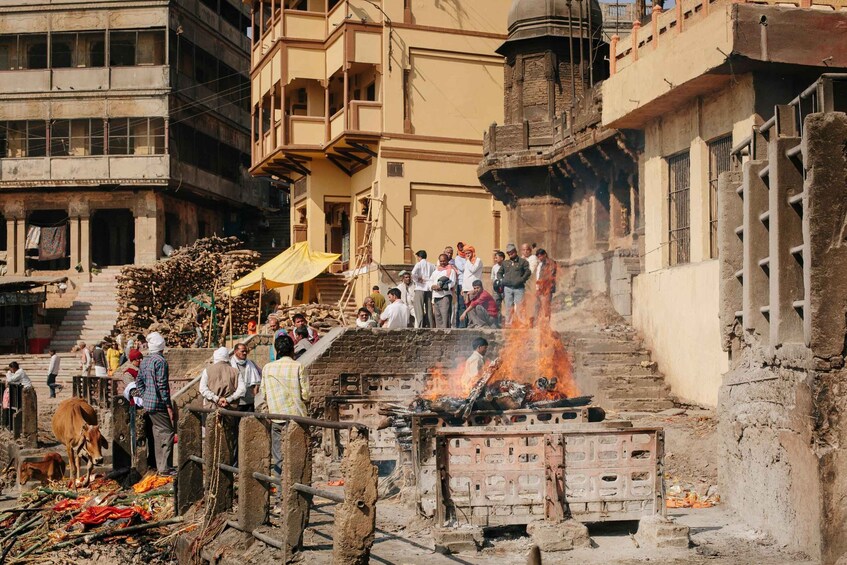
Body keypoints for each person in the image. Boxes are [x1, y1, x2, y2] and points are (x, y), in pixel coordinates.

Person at [257, 334, 309, 478]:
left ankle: (281, 493)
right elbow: (306, 394)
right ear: (292, 350)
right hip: (296, 418)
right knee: (298, 455)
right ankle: (297, 491)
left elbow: (263, 393)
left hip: (276, 417)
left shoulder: (267, 368)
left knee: (279, 457)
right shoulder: (298, 366)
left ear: (277, 351)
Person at [133, 332, 175, 475]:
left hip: (148, 402)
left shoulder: (145, 360)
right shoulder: (160, 362)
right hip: (158, 403)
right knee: (168, 433)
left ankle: (160, 466)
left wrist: (145, 395)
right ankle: (165, 468)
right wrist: (168, 405)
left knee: (158, 433)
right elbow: (162, 385)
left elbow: (138, 381)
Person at [501, 243, 531, 325]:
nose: (510, 254)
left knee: (520, 307)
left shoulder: (523, 262)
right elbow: (500, 272)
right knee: (508, 306)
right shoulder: (505, 263)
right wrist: (502, 280)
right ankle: (508, 323)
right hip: (507, 288)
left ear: (515, 251)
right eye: (508, 253)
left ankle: (521, 323)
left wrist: (522, 280)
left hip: (519, 288)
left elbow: (528, 272)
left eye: (511, 252)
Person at [231, 343, 261, 412]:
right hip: (236, 402)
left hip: (249, 401)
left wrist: (256, 390)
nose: (244, 353)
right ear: (235, 351)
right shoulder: (230, 364)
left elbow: (258, 376)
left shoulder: (251, 363)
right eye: (242, 351)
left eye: (246, 351)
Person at [429, 253, 457, 328]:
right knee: (437, 316)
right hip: (436, 296)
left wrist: (441, 288)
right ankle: (439, 333)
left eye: (444, 261)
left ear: (447, 260)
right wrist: (432, 286)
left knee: (445, 316)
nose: (442, 263)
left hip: (445, 295)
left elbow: (452, 282)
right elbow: (430, 281)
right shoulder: (436, 271)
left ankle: (446, 333)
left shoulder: (451, 270)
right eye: (441, 261)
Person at [411, 250, 435, 328]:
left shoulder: (418, 264)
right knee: (429, 310)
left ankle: (420, 326)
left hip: (420, 287)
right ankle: (430, 326)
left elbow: (413, 274)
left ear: (419, 257)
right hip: (428, 288)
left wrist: (417, 279)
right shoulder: (431, 265)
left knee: (419, 309)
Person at [535, 248, 558, 322]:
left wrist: (542, 282)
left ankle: (546, 323)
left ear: (545, 254)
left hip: (547, 288)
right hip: (540, 288)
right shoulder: (540, 264)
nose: (539, 258)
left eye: (540, 256)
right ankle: (540, 323)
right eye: (538, 256)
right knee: (539, 306)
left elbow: (550, 275)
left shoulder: (551, 263)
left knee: (546, 306)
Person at [491, 251, 506, 324]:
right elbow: (492, 277)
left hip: (505, 288)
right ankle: (497, 321)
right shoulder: (494, 267)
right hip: (496, 289)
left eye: (497, 257)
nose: (495, 259)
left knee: (507, 304)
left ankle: (508, 321)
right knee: (496, 304)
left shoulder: (507, 266)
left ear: (502, 258)